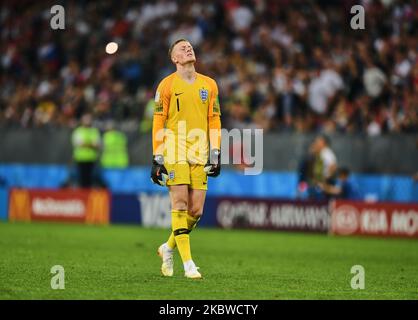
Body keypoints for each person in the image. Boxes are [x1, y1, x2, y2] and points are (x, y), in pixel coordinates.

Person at [150, 39, 222, 279]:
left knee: (196, 210)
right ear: (175, 59)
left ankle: (168, 247)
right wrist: (157, 156)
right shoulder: (166, 85)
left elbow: (214, 120)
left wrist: (216, 153)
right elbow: (158, 120)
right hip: (174, 149)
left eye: (189, 46)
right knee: (179, 203)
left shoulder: (210, 85)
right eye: (182, 48)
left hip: (199, 151)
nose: (188, 48)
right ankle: (189, 264)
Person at [71, 113, 101, 188]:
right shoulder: (78, 131)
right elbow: (78, 143)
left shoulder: (94, 131)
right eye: (85, 119)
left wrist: (85, 144)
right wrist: (91, 144)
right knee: (82, 178)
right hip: (81, 158)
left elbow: (97, 144)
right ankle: (82, 196)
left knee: (90, 179)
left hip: (91, 158)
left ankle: (87, 195)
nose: (87, 121)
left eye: (89, 119)